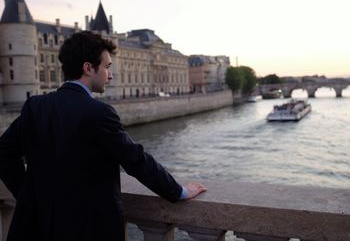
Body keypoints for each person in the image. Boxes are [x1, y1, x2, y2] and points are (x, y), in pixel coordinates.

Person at [0, 31, 206, 241]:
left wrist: (28, 195)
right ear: (88, 68)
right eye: (107, 67)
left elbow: (3, 154)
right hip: (87, 230)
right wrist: (179, 192)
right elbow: (136, 160)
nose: (111, 74)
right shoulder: (98, 112)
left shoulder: (35, 106)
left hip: (35, 228)